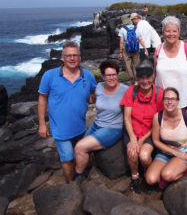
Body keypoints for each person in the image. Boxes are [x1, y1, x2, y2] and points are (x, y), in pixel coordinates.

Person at [38, 41, 97, 183]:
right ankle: (70, 185)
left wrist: (90, 98)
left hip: (80, 126)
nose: (72, 58)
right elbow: (42, 99)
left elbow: (94, 93)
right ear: (62, 57)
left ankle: (78, 176)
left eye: (75, 55)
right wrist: (42, 124)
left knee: (80, 153)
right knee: (67, 158)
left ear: (80, 57)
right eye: (69, 55)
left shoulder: (87, 76)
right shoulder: (49, 76)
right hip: (60, 128)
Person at [73, 60, 128, 179]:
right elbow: (91, 99)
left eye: (114, 74)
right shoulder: (99, 87)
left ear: (117, 75)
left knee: (80, 147)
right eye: (108, 75)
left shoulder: (125, 90)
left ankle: (78, 177)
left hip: (113, 128)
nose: (111, 78)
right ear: (103, 76)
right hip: (97, 124)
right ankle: (86, 169)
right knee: (80, 149)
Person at [120, 59, 164, 194]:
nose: (145, 81)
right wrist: (133, 139)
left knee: (144, 156)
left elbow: (158, 122)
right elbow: (127, 117)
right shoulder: (131, 91)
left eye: (148, 77)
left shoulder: (159, 94)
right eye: (142, 78)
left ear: (153, 77)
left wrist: (141, 140)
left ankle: (148, 174)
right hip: (132, 130)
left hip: (149, 132)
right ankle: (135, 177)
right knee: (132, 153)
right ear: (138, 79)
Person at [145, 87, 187, 187]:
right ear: (163, 101)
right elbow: (155, 141)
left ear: (178, 101)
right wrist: (174, 152)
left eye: (173, 99)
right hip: (165, 152)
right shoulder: (157, 117)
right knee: (150, 179)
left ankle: (184, 171)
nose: (169, 102)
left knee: (167, 174)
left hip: (184, 152)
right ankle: (168, 173)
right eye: (166, 99)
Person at [154, 16, 187, 111]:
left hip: (183, 102)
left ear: (179, 32)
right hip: (162, 102)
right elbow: (154, 74)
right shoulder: (158, 49)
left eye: (174, 31)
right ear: (163, 32)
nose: (171, 34)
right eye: (168, 31)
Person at [119, 14, 148, 84]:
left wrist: (120, 52)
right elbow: (140, 39)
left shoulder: (123, 29)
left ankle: (130, 78)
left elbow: (121, 42)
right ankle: (136, 79)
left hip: (126, 48)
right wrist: (145, 48)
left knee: (127, 63)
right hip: (136, 47)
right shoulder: (136, 28)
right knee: (136, 64)